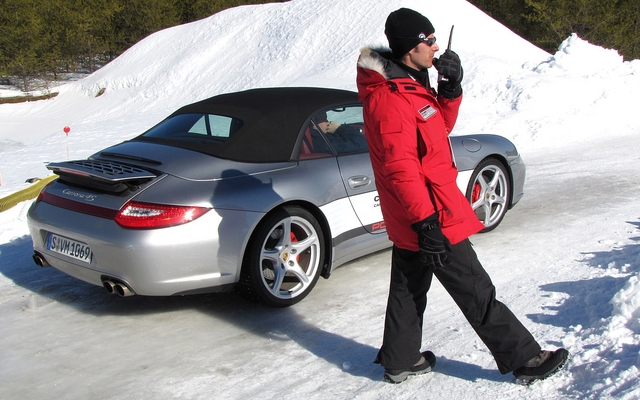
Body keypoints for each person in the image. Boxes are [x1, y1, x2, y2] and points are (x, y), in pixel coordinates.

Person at [356, 8, 569, 385]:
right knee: (475, 287)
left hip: (421, 213)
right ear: (410, 46)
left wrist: (449, 91)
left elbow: (437, 129)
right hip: (429, 213)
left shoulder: (409, 84)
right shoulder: (389, 98)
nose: (436, 46)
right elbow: (400, 167)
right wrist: (426, 222)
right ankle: (525, 359)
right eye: (429, 40)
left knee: (408, 287)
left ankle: (401, 359)